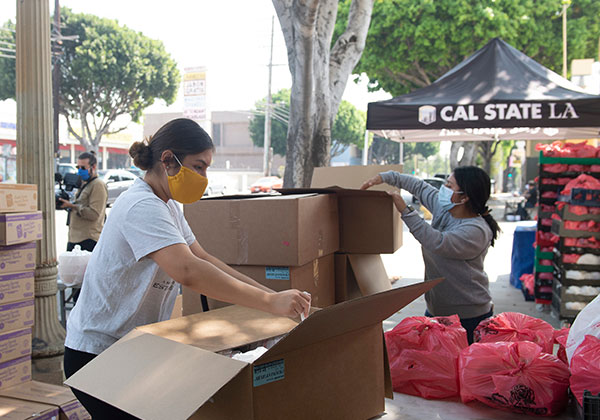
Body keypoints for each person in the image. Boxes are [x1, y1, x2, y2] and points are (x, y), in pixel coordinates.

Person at [63, 118, 310, 418]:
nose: (204, 177)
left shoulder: (168, 204)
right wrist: (270, 302)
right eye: (199, 166)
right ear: (168, 161)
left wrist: (274, 297)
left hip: (130, 348)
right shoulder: (142, 205)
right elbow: (188, 271)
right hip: (97, 352)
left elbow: (202, 258)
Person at [361, 166, 500, 344]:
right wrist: (384, 177)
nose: (443, 189)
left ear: (464, 197)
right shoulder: (446, 209)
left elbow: (437, 242)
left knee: (461, 368)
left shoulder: (476, 230)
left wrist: (406, 211)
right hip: (437, 309)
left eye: (450, 186)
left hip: (468, 315)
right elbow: (419, 187)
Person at [59, 151, 108, 254]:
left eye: (83, 168)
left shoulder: (97, 185)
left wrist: (72, 206)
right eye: (78, 167)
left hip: (88, 239)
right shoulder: (85, 184)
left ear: (93, 167)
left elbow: (94, 214)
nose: (80, 171)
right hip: (74, 238)